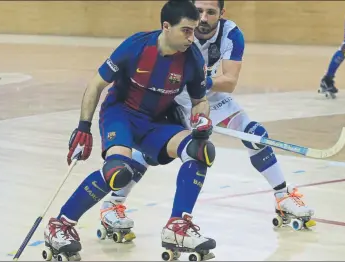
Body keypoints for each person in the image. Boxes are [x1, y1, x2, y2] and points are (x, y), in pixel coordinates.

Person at [99, 0, 315, 237]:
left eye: (211, 12)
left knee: (255, 135)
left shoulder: (231, 34)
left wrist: (198, 83)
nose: (203, 17)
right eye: (199, 11)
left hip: (208, 96)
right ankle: (113, 204)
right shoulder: (180, 30)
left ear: (221, 14)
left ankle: (283, 195)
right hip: (175, 97)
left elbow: (230, 81)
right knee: (153, 153)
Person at [43, 0, 218, 260]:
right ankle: (61, 225)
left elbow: (199, 101)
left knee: (200, 151)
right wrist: (83, 127)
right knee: (118, 171)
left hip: (157, 121)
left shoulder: (191, 59)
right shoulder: (136, 46)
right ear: (166, 27)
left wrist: (202, 119)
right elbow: (95, 84)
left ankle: (177, 226)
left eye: (193, 30)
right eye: (186, 30)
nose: (191, 38)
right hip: (121, 114)